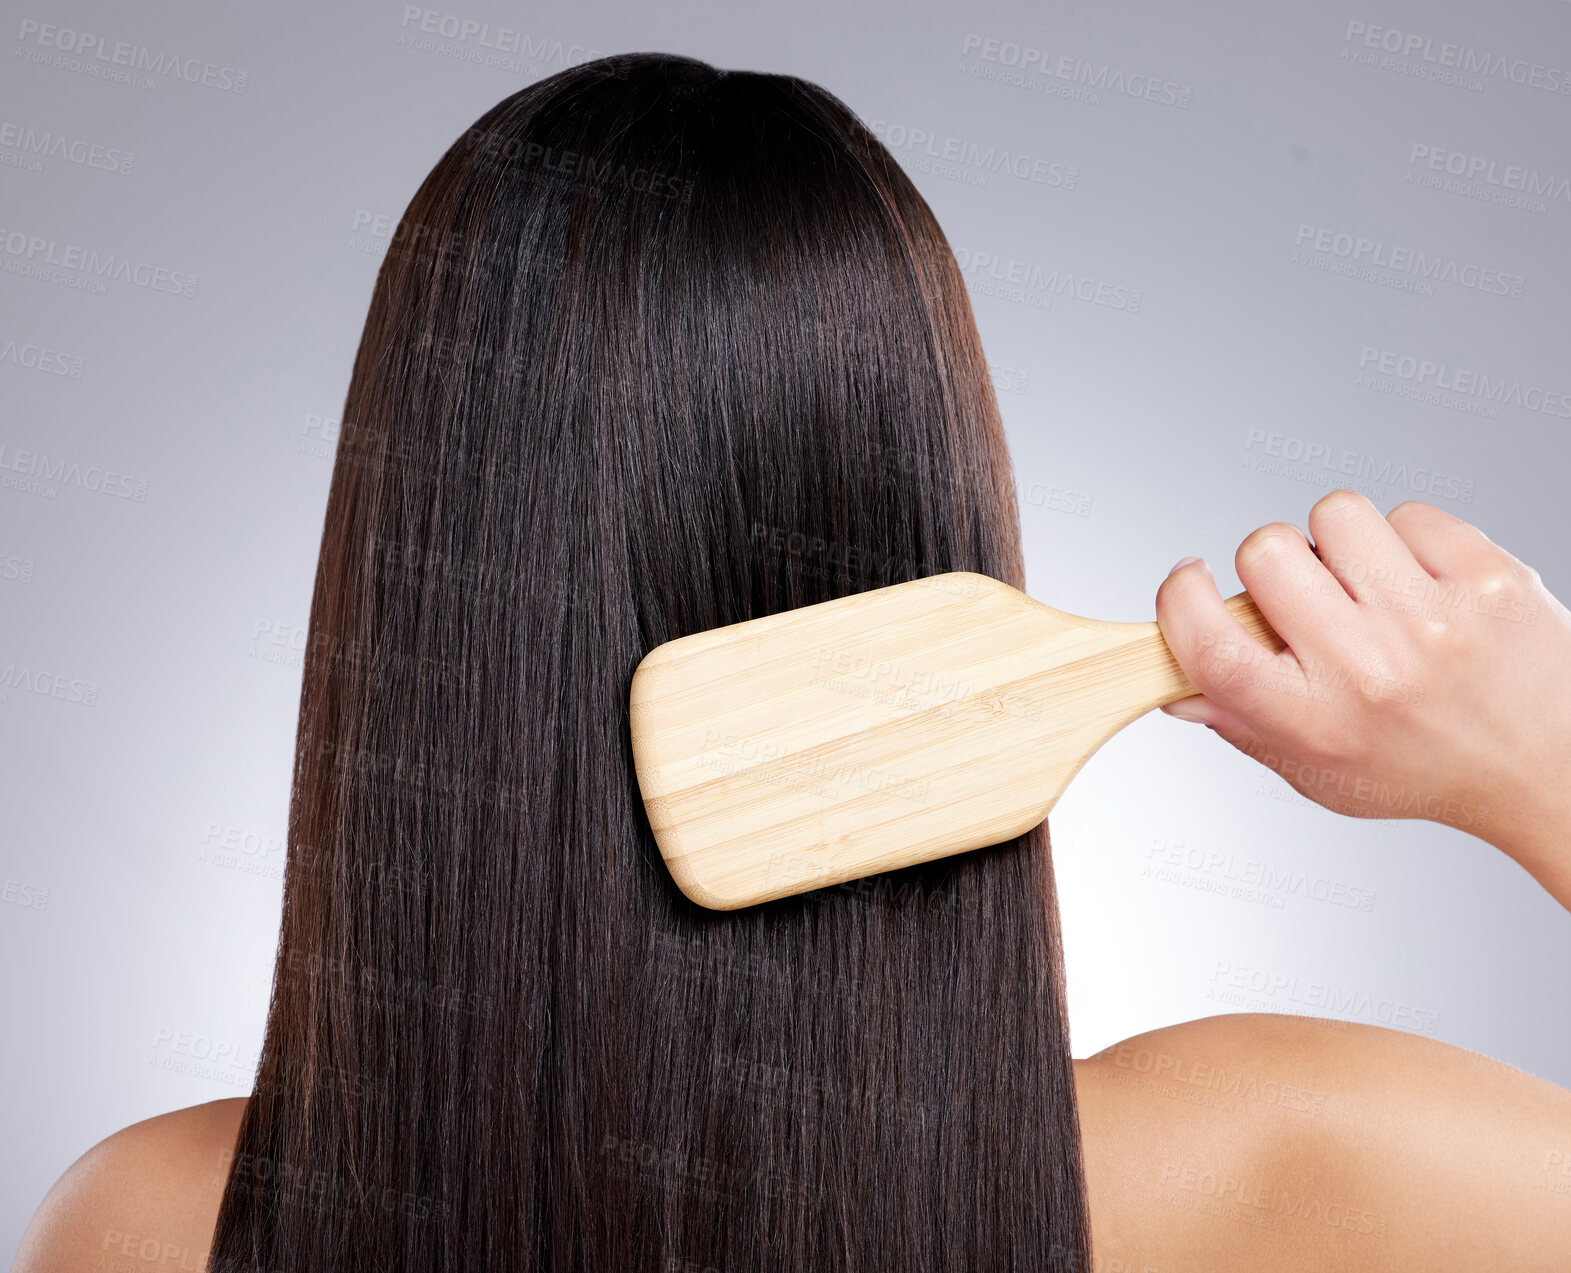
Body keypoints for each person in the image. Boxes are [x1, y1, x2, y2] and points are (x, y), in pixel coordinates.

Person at [13, 53, 1571, 1273]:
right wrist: (1540, 740)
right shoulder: (1287, 1173)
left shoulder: (148, 1225)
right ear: (938, 516)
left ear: (414, 609)